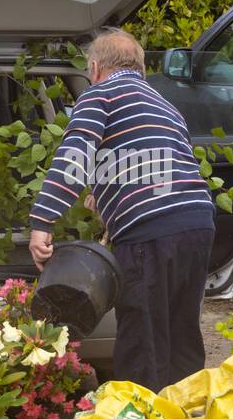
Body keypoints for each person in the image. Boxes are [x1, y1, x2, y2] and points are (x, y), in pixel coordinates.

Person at [28, 28, 217, 391]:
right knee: (181, 331)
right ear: (140, 69)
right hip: (197, 222)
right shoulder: (165, 105)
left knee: (143, 336)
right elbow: (162, 161)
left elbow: (76, 154)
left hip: (151, 232)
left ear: (95, 68)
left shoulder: (101, 94)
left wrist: (43, 221)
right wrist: (107, 193)